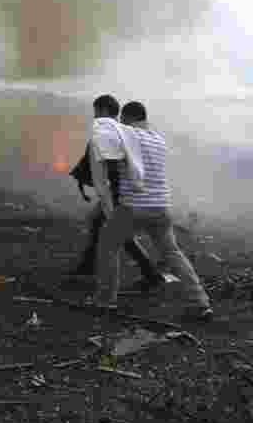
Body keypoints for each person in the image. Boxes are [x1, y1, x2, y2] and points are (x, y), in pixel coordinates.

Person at [91, 101, 213, 321]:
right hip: (161, 207)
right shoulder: (158, 139)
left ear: (127, 119)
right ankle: (201, 302)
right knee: (172, 253)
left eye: (122, 120)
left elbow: (111, 158)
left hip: (134, 207)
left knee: (108, 245)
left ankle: (105, 301)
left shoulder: (128, 136)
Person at [67, 95, 164, 292]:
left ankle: (145, 275)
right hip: (123, 190)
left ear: (102, 110)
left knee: (110, 229)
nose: (94, 115)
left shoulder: (110, 131)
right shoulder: (120, 131)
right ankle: (89, 268)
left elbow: (110, 164)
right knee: (102, 225)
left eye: (96, 111)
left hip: (120, 192)